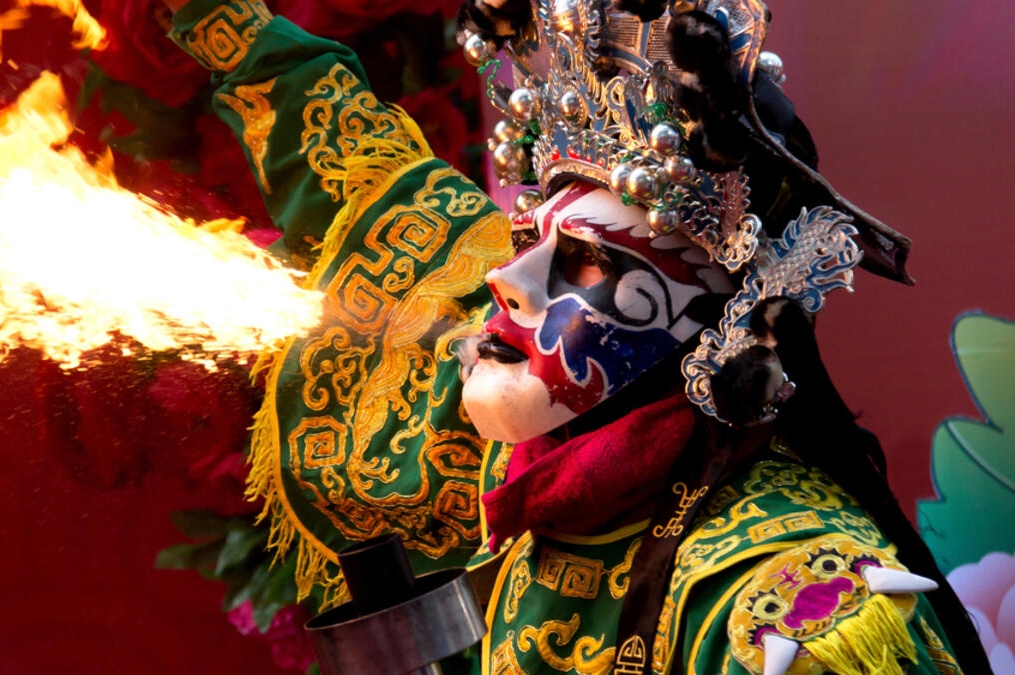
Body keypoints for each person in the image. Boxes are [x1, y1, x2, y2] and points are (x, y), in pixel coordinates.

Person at [159, 0, 991, 671]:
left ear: (714, 327)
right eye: (529, 243)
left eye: (584, 264)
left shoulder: (795, 618)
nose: (504, 280)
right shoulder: (541, 453)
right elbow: (363, 172)